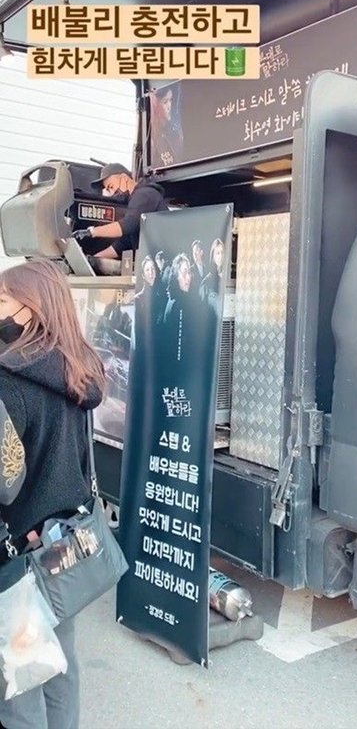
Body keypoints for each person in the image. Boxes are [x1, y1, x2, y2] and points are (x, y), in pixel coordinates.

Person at [0, 260, 105, 729]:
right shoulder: (77, 369)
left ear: (31, 310)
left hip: (16, 552)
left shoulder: (9, 380)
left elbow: (5, 483)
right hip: (65, 543)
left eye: (3, 299)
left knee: (20, 682)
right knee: (61, 665)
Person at [72, 163, 169, 259]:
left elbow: (128, 224)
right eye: (108, 190)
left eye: (111, 187)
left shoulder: (144, 194)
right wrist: (92, 259)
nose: (112, 193)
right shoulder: (135, 200)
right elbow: (123, 244)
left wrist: (91, 232)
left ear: (124, 178)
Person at [149, 85, 184, 168]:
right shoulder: (151, 139)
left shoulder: (175, 133)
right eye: (165, 102)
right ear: (155, 105)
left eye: (170, 100)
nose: (169, 106)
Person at [200, 238, 225, 316]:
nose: (221, 256)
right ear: (213, 256)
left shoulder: (230, 278)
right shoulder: (207, 281)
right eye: (218, 253)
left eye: (222, 252)